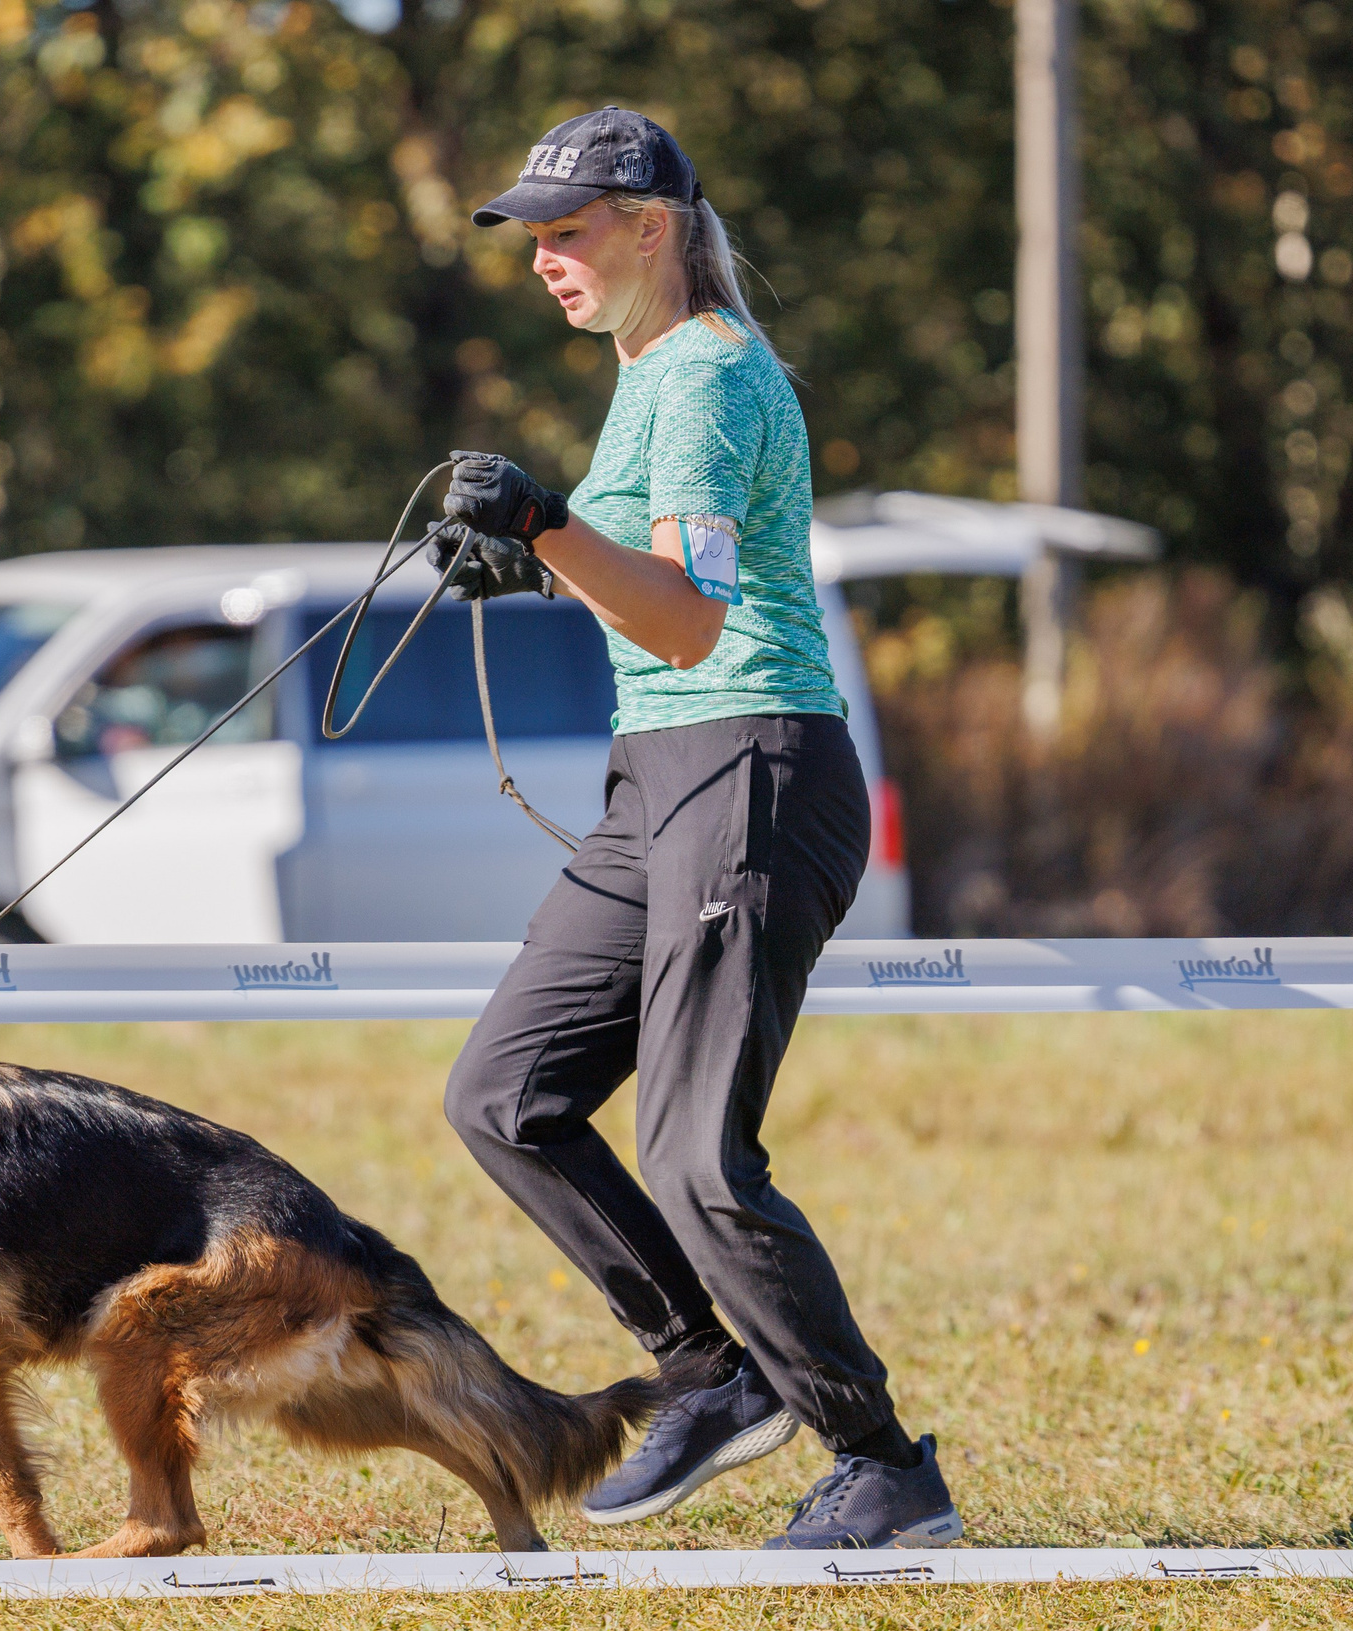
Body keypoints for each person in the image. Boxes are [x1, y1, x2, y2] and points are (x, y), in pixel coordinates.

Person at [432, 107, 961, 1550]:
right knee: (506, 1094)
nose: (544, 258)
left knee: (695, 1157)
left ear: (651, 226)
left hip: (754, 767)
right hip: (659, 777)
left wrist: (543, 523)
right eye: (532, 237)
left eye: (568, 231)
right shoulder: (650, 373)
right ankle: (713, 1375)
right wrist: (533, 559)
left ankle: (882, 1465)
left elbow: (690, 623)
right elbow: (645, 587)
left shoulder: (713, 376)